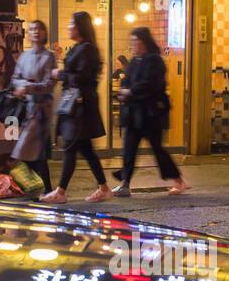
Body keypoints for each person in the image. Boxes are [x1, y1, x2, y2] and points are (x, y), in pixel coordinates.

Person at [41, 11, 111, 204]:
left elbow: (82, 78)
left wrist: (59, 73)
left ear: (80, 27)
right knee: (85, 149)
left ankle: (61, 192)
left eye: (72, 23)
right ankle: (104, 188)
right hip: (75, 105)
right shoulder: (81, 48)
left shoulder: (87, 49)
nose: (69, 26)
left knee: (71, 147)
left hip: (80, 107)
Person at [113, 27, 188, 197]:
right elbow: (127, 81)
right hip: (134, 113)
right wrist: (125, 91)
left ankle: (178, 180)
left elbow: (150, 84)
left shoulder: (155, 61)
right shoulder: (134, 61)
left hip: (151, 114)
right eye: (131, 41)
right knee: (129, 148)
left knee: (157, 149)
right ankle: (125, 184)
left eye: (135, 41)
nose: (132, 45)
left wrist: (130, 92)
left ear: (144, 42)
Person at [10, 19, 57, 193]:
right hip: (27, 109)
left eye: (38, 29)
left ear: (44, 33)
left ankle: (45, 189)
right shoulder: (24, 56)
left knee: (33, 150)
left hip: (42, 109)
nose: (35, 32)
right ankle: (43, 189)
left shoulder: (49, 56)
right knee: (31, 151)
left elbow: (49, 84)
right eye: (31, 29)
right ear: (28, 34)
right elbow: (14, 79)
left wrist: (27, 87)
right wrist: (23, 84)